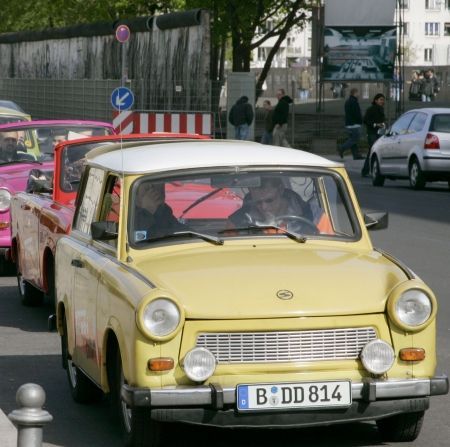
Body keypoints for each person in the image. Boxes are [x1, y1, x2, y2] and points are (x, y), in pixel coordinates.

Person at [228, 177, 313, 229]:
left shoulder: (309, 214)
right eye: (258, 202)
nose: (264, 207)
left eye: (269, 200)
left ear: (280, 190)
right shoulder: (238, 221)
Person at [361, 93, 386, 177]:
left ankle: (366, 170)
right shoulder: (371, 109)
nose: (382, 101)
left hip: (379, 133)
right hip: (372, 133)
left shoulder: (381, 109)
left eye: (383, 100)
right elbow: (365, 120)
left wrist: (383, 125)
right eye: (381, 100)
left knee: (373, 152)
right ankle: (366, 170)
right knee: (372, 151)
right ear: (376, 100)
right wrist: (375, 124)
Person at [338, 88, 364, 160]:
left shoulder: (348, 101)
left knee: (353, 140)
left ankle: (356, 155)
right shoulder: (354, 102)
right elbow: (356, 114)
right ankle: (342, 148)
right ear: (354, 93)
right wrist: (360, 121)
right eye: (357, 93)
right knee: (354, 139)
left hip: (349, 124)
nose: (358, 94)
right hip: (354, 124)